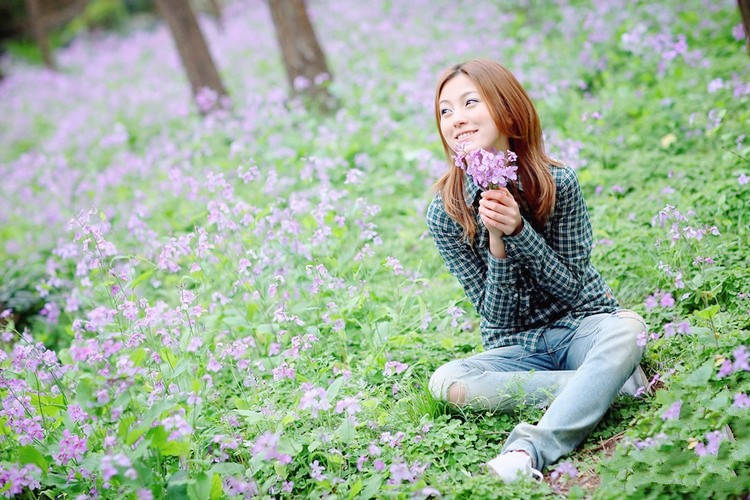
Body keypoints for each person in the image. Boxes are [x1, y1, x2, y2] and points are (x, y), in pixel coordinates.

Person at [425, 59, 647, 482]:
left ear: (507, 109)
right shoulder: (445, 211)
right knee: (446, 382)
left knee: (628, 328)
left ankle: (527, 452)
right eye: (445, 110)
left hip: (583, 326)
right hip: (517, 350)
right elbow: (498, 319)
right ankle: (605, 384)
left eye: (470, 102)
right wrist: (497, 243)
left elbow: (571, 290)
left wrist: (520, 231)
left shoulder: (557, 182)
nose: (456, 119)